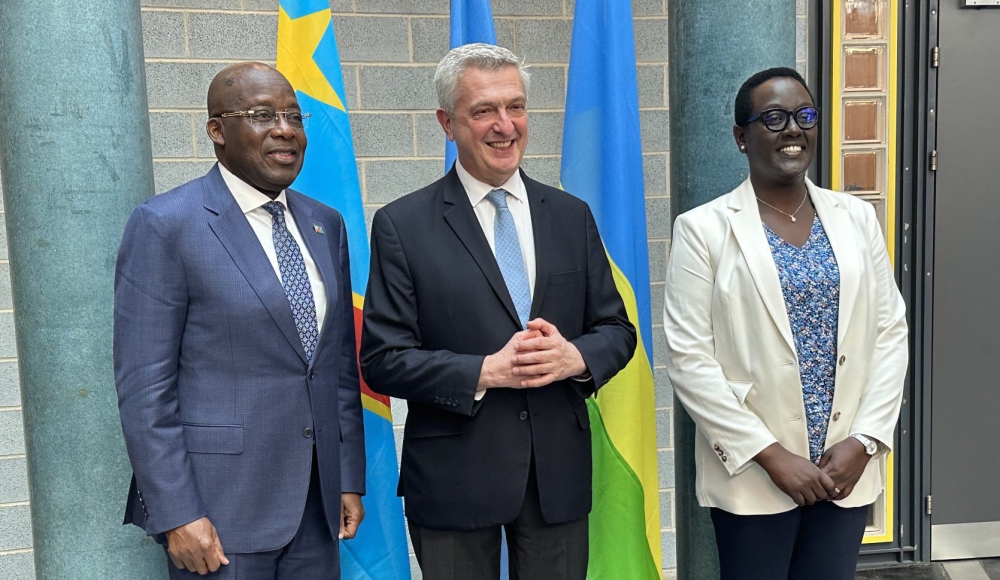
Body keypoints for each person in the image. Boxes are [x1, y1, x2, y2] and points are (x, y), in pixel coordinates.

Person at [359, 43, 636, 580]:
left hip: (557, 476)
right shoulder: (402, 225)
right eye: (483, 110)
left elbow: (616, 330)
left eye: (516, 107)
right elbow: (383, 360)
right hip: (452, 478)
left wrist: (573, 358)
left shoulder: (571, 215)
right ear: (447, 123)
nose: (504, 126)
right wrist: (485, 371)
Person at [114, 62, 366, 579]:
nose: (284, 130)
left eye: (294, 116)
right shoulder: (166, 224)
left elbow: (337, 366)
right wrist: (178, 512)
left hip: (316, 509)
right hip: (219, 514)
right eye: (262, 115)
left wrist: (345, 476)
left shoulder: (325, 223)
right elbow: (145, 389)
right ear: (217, 130)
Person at [662, 67, 908, 580]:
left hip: (843, 470)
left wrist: (865, 441)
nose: (793, 129)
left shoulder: (857, 218)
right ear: (741, 136)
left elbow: (890, 334)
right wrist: (770, 455)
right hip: (755, 475)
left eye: (804, 116)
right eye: (773, 118)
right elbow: (689, 358)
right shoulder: (702, 230)